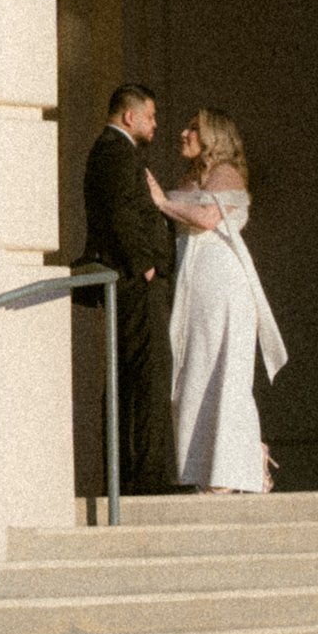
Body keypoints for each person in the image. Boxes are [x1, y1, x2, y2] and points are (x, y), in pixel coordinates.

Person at [155, 107, 286, 494]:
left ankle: (234, 467)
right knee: (195, 370)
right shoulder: (191, 178)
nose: (183, 133)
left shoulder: (225, 173)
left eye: (194, 128)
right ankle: (209, 464)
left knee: (224, 370)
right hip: (194, 284)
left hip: (222, 283)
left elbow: (209, 218)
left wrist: (162, 202)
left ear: (214, 137)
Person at [80, 82, 176, 498]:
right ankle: (144, 479)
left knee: (137, 377)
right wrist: (147, 267)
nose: (156, 125)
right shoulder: (116, 152)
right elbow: (122, 213)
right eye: (151, 116)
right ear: (129, 116)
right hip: (136, 283)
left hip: (133, 281)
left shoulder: (113, 151)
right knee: (147, 377)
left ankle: (135, 476)